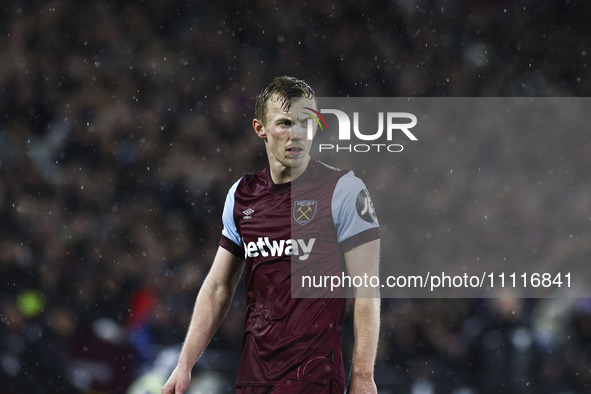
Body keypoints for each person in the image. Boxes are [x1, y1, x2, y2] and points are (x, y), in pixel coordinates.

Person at [162, 76, 381, 394]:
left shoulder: (344, 191)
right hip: (253, 375)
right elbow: (219, 287)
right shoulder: (242, 195)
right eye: (285, 123)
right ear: (260, 128)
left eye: (307, 123)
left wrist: (362, 374)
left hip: (313, 376)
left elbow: (367, 286)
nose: (297, 135)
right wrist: (184, 365)